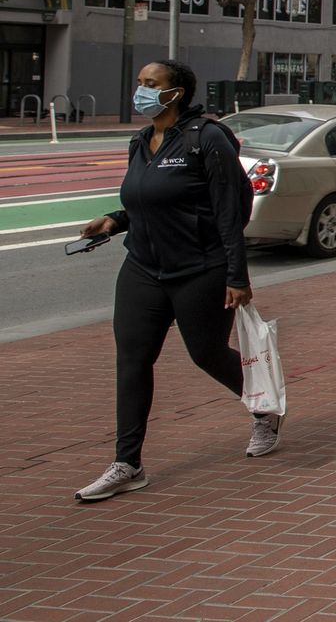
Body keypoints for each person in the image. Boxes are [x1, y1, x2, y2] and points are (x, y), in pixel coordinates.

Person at [73, 59, 280, 503]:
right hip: (143, 269)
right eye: (140, 83)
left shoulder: (206, 139)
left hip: (199, 270)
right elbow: (148, 201)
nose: (141, 91)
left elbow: (230, 211)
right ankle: (127, 463)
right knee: (132, 360)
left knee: (205, 354)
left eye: (151, 84)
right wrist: (114, 220)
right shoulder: (140, 141)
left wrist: (236, 275)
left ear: (177, 92)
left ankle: (264, 408)